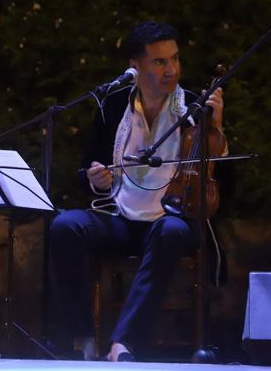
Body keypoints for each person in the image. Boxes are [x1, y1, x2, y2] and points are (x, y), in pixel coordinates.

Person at [49, 21, 227, 362]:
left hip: (169, 220)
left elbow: (222, 180)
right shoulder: (114, 106)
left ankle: (123, 343)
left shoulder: (194, 107)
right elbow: (86, 166)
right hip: (120, 218)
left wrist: (216, 128)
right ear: (135, 68)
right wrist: (94, 177)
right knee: (64, 227)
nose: (171, 70)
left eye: (175, 59)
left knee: (171, 232)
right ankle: (82, 337)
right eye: (159, 62)